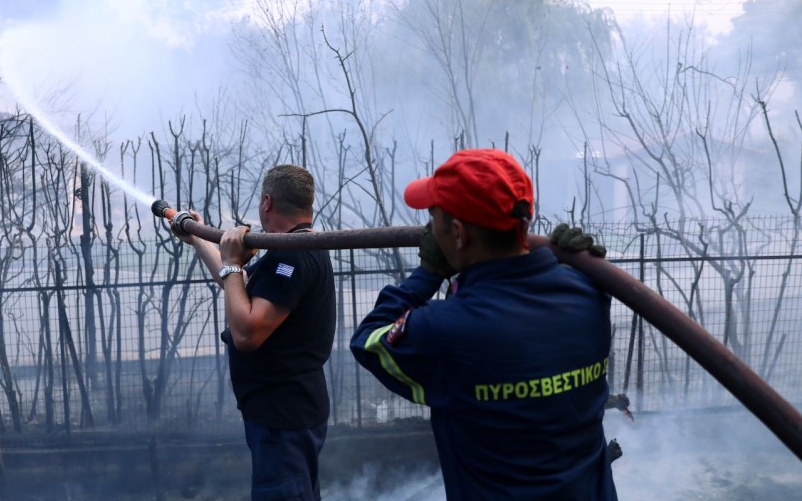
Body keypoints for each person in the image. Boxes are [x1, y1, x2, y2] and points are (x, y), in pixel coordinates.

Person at [350, 148, 618, 500]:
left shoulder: (444, 330)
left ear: (458, 233)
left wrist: (427, 274)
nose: (430, 229)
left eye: (433, 218)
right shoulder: (591, 290)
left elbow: (368, 341)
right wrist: (576, 263)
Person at [169, 164, 336, 501]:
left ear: (266, 201)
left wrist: (233, 263)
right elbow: (240, 288)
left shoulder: (290, 258)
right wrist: (200, 239)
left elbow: (246, 333)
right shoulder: (295, 249)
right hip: (288, 412)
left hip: (282, 417)